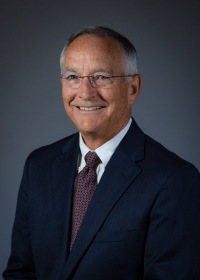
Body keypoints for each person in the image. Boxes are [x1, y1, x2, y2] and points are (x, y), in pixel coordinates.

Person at [3, 26, 200, 280]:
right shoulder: (39, 166)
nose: (85, 92)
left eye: (102, 76)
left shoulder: (174, 180)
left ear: (133, 89)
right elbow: (21, 272)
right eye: (73, 76)